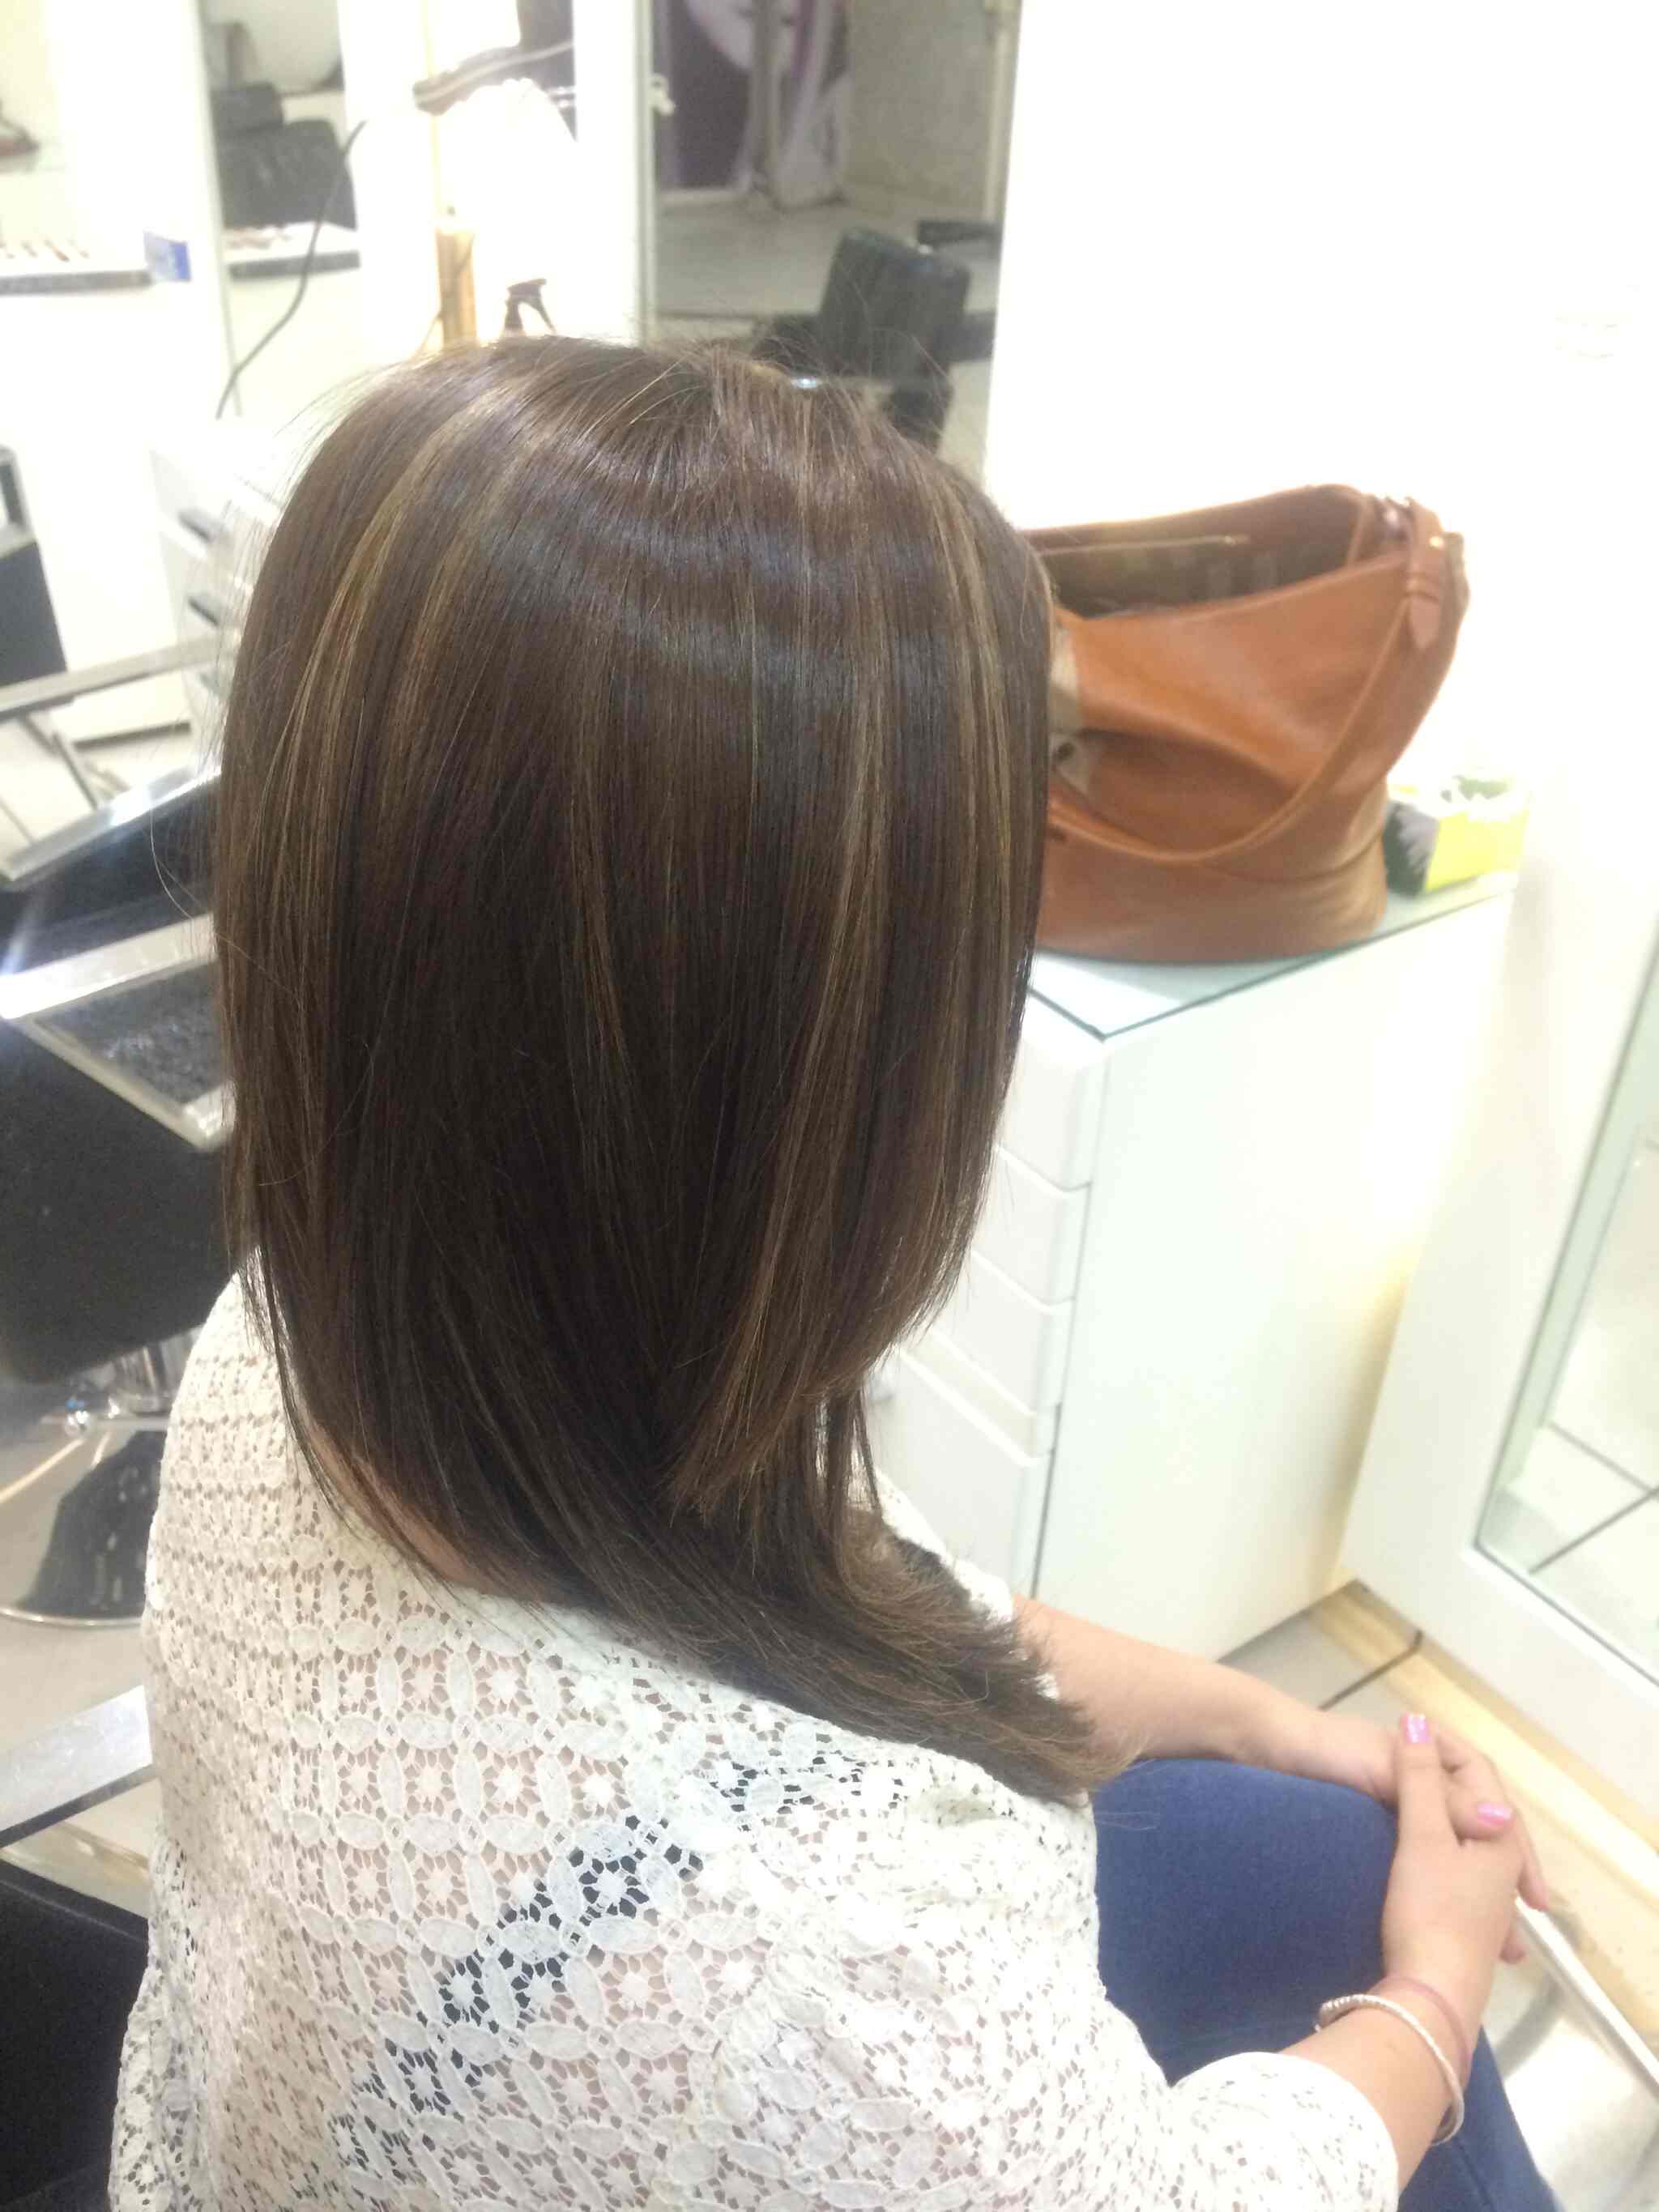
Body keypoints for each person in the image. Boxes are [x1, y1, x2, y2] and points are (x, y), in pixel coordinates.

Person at [112, 337, 1554, 2210]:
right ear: (823, 1073)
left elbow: (867, 1591)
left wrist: (1273, 1718)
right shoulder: (824, 1962)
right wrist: (1433, 1990)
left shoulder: (301, 1334)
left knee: (1297, 1842)